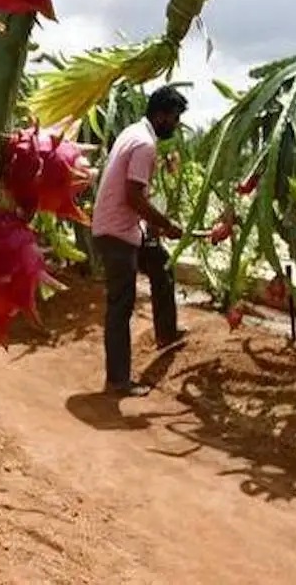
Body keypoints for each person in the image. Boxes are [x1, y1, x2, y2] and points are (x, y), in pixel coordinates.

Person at [91, 86, 189, 397]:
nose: (175, 125)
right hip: (117, 232)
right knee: (121, 305)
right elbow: (132, 195)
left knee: (161, 264)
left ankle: (166, 334)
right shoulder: (145, 144)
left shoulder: (132, 132)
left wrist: (152, 227)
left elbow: (133, 193)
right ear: (161, 115)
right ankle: (118, 380)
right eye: (174, 119)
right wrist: (166, 224)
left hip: (122, 228)